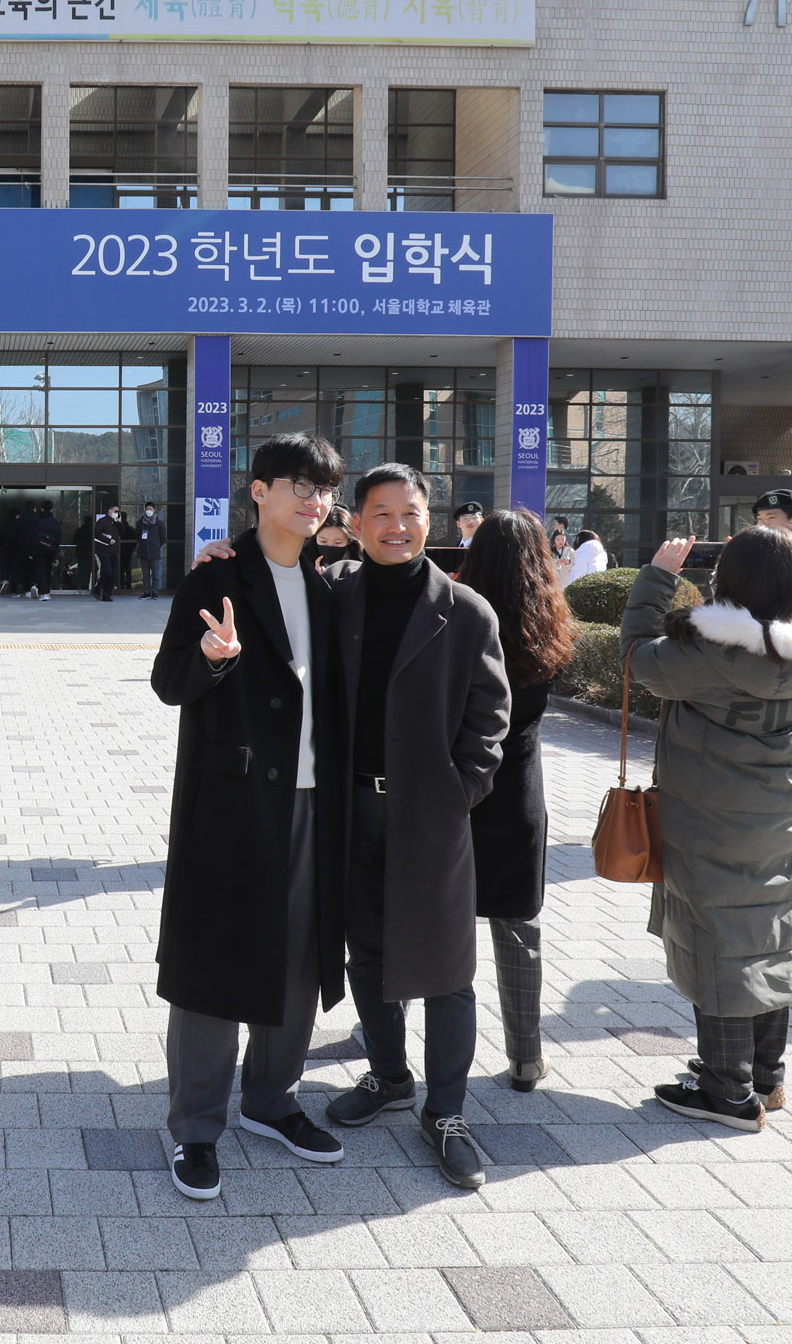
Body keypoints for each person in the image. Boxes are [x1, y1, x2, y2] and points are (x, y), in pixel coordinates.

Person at [150, 433, 351, 1203]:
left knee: (300, 958)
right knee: (213, 963)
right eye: (297, 484)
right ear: (258, 491)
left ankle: (273, 1099)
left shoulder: (331, 584)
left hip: (312, 801)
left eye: (325, 489)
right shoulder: (218, 572)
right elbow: (169, 682)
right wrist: (215, 655)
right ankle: (196, 1129)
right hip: (232, 805)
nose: (313, 500)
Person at [621, 527, 792, 1130]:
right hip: (781, 818)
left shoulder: (707, 652)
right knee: (771, 933)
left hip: (708, 819)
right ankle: (766, 1077)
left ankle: (728, 1092)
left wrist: (657, 578)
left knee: (716, 942)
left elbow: (635, 659)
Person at [321, 463, 510, 1191]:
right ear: (356, 522)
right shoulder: (335, 592)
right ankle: (389, 1075)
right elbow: (268, 570)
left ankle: (448, 1110)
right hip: (352, 808)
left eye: (410, 512)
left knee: (446, 969)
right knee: (365, 950)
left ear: (429, 519)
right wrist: (221, 556)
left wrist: (459, 790)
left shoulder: (465, 611)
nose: (397, 526)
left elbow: (490, 719)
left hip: (432, 814)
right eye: (381, 514)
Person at [459, 511, 578, 1094]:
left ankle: (388, 1043)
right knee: (517, 926)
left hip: (456, 785)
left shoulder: (454, 613)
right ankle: (526, 1058)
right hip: (519, 791)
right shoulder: (548, 621)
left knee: (429, 919)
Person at [30, 500, 61, 600]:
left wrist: (31, 549)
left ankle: (44, 592)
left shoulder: (37, 520)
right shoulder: (55, 522)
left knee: (41, 570)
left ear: (42, 508)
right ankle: (47, 591)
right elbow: (58, 536)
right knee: (48, 570)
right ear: (51, 509)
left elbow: (32, 536)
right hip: (51, 549)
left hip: (39, 549)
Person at [137, 502, 168, 599]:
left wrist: (156, 545)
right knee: (145, 575)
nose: (148, 511)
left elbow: (163, 537)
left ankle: (155, 592)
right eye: (147, 509)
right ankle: (146, 592)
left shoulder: (159, 523)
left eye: (150, 509)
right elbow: (137, 536)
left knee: (155, 575)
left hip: (154, 553)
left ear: (154, 510)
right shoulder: (140, 523)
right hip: (143, 552)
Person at [92, 504, 121, 602]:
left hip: (114, 551)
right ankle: (97, 589)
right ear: (110, 511)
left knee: (113, 574)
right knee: (107, 572)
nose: (117, 513)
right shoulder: (102, 521)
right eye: (115, 511)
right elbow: (97, 534)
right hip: (103, 551)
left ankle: (107, 595)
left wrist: (120, 523)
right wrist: (108, 541)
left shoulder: (116, 522)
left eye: (118, 512)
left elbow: (123, 532)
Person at [116, 508, 137, 593]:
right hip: (128, 552)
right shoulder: (131, 529)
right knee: (127, 569)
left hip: (121, 552)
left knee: (121, 569)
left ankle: (121, 585)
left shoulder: (119, 528)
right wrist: (131, 550)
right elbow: (135, 541)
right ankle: (128, 585)